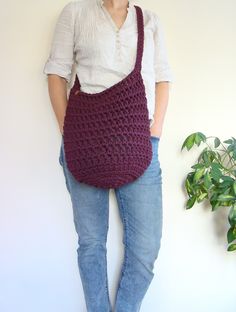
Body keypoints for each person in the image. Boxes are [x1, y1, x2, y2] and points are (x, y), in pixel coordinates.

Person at [43, 0, 173, 311]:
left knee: (146, 249)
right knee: (91, 245)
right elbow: (56, 72)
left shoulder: (149, 20)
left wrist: (156, 128)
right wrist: (68, 129)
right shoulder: (75, 13)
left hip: (140, 143)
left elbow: (162, 77)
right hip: (84, 141)